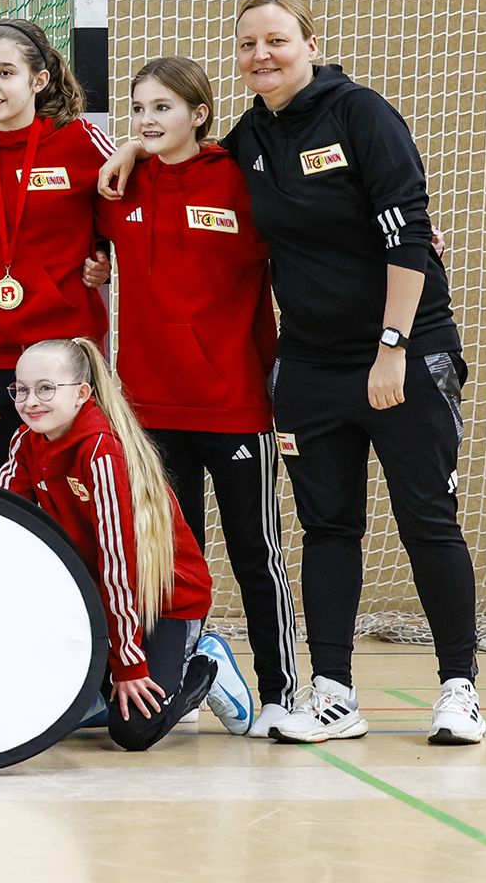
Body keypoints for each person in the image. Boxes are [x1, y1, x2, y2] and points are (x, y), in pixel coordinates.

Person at [102, 0, 482, 745]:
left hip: (401, 351)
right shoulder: (253, 137)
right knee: (328, 527)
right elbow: (188, 140)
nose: (261, 56)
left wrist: (393, 348)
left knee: (427, 523)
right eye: (247, 45)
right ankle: (334, 693)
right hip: (310, 366)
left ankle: (458, 688)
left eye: (275, 40)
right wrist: (136, 145)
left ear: (308, 42)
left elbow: (410, 236)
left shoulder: (359, 114)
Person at [94, 56, 295, 737]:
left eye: (163, 108)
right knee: (169, 562)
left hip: (233, 402)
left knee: (254, 555)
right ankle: (184, 677)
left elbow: (309, 237)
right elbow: (88, 250)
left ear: (200, 114)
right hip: (149, 409)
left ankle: (280, 695)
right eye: (139, 109)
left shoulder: (240, 181)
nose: (147, 121)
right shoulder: (119, 188)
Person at [0, 338, 254, 750]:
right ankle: (98, 693)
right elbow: (7, 528)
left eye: (46, 388)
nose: (31, 401)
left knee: (133, 730)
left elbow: (120, 567)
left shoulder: (101, 451)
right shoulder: (25, 442)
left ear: (82, 393)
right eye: (22, 389)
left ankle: (206, 663)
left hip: (163, 600)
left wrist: (129, 666)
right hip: (99, 602)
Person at [0, 19, 115, 485]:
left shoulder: (80, 140)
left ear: (38, 80)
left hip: (63, 342)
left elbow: (130, 193)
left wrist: (103, 253)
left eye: (6, 73)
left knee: (73, 483)